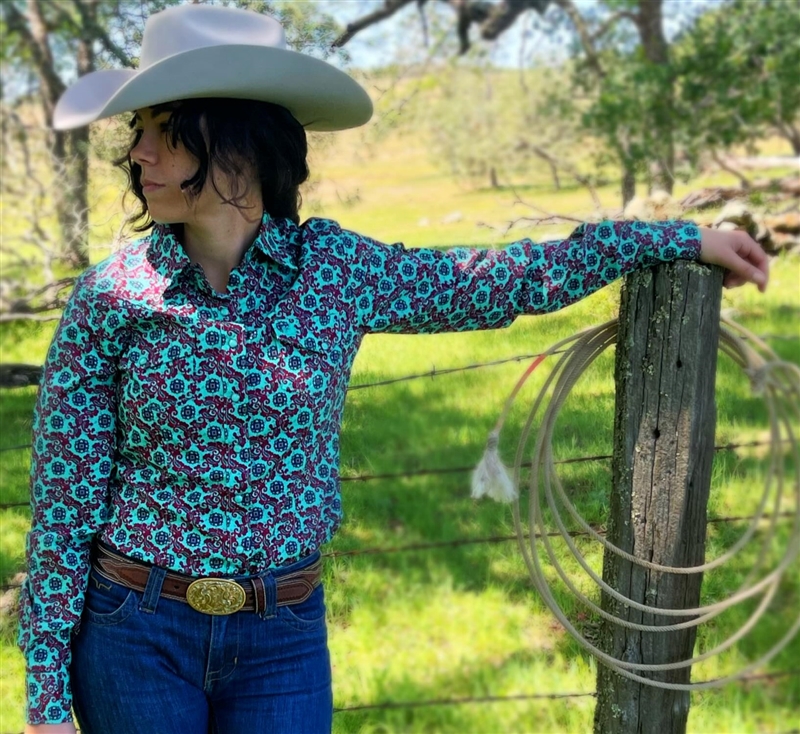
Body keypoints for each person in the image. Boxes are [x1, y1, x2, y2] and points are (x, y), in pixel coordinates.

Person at [17, 4, 770, 734]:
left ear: (239, 144)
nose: (137, 153)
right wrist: (46, 695)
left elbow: (492, 281)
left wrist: (679, 239)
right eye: (137, 131)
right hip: (135, 629)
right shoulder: (113, 298)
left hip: (281, 636)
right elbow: (65, 495)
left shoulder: (334, 270)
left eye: (163, 131)